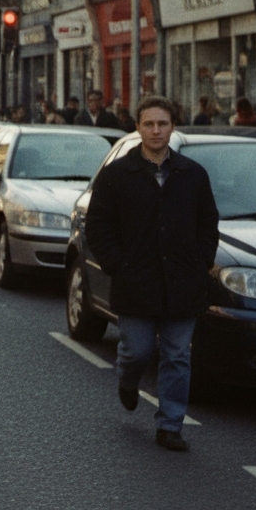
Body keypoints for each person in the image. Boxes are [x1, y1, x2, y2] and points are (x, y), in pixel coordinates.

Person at [85, 96, 219, 452]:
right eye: (149, 124)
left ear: (173, 127)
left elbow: (208, 223)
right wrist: (118, 264)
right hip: (136, 283)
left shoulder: (192, 174)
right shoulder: (117, 175)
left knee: (177, 355)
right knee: (137, 352)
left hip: (182, 283)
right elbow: (97, 227)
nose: (156, 130)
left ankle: (170, 425)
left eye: (162, 124)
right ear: (138, 128)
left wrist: (201, 259)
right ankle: (127, 382)